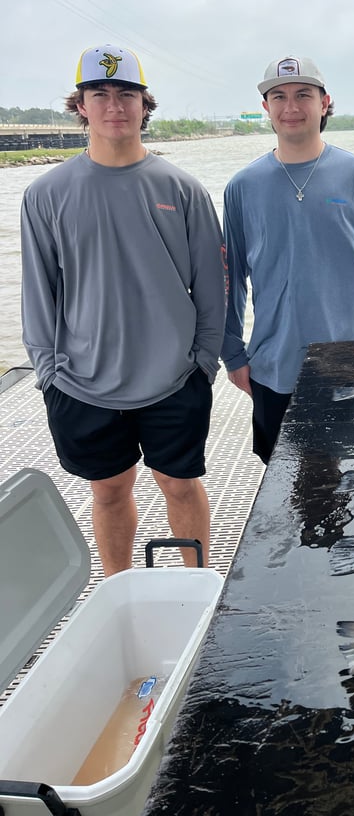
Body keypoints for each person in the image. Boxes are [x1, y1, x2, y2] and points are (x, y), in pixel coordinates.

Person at [20, 43, 227, 575]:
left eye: (126, 94)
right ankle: (117, 589)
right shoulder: (45, 194)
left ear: (144, 105)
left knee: (181, 484)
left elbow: (211, 287)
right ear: (81, 106)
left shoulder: (182, 189)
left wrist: (204, 362)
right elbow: (39, 292)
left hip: (174, 377)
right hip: (82, 381)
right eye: (101, 93)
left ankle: (193, 590)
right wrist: (46, 370)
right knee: (109, 489)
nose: (115, 105)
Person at [221, 54, 354, 464]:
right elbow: (230, 278)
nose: (291, 107)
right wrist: (232, 352)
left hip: (351, 363)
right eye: (279, 96)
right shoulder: (242, 187)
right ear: (265, 108)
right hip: (274, 364)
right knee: (283, 483)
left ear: (324, 103)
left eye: (303, 94)